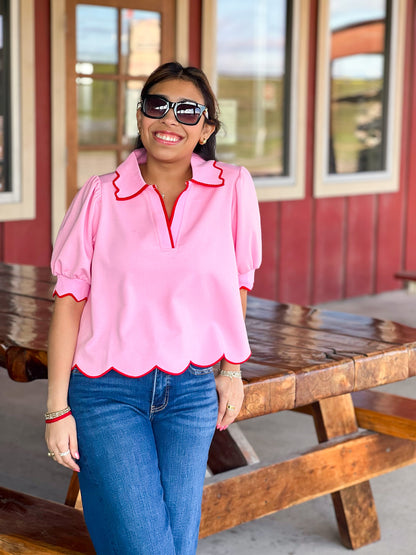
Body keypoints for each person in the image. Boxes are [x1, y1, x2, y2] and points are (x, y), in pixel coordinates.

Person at [45, 61, 262, 555]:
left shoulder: (232, 188)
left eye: (189, 112)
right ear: (141, 116)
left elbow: (238, 284)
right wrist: (57, 409)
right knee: (151, 546)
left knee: (175, 542)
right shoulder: (101, 194)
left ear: (207, 127)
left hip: (191, 391)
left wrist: (232, 368)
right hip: (107, 392)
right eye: (157, 105)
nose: (171, 120)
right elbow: (69, 304)